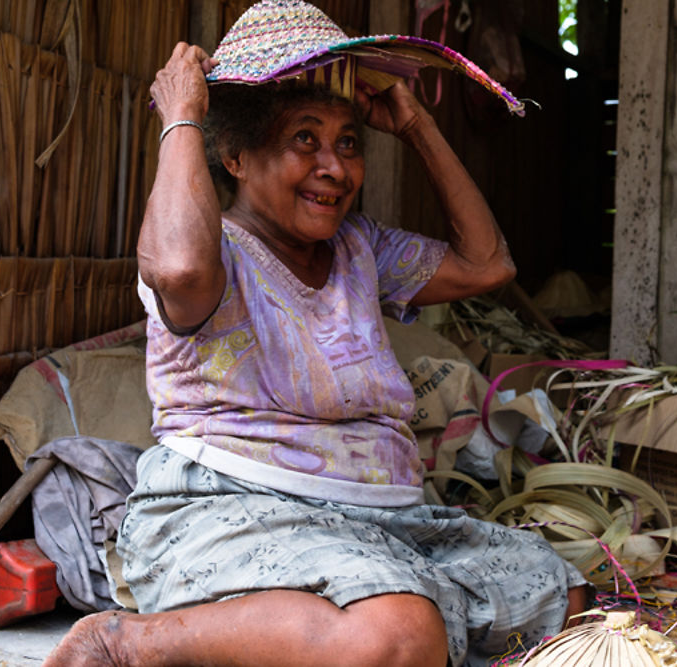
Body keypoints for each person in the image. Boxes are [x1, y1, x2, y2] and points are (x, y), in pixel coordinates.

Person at [44, 2, 586, 665]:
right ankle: (132, 643)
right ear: (237, 154)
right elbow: (179, 266)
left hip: (386, 523)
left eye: (349, 141)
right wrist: (183, 115)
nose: (336, 167)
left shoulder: (362, 249)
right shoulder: (216, 254)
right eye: (306, 139)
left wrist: (415, 124)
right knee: (404, 634)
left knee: (558, 594)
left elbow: (487, 264)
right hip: (235, 513)